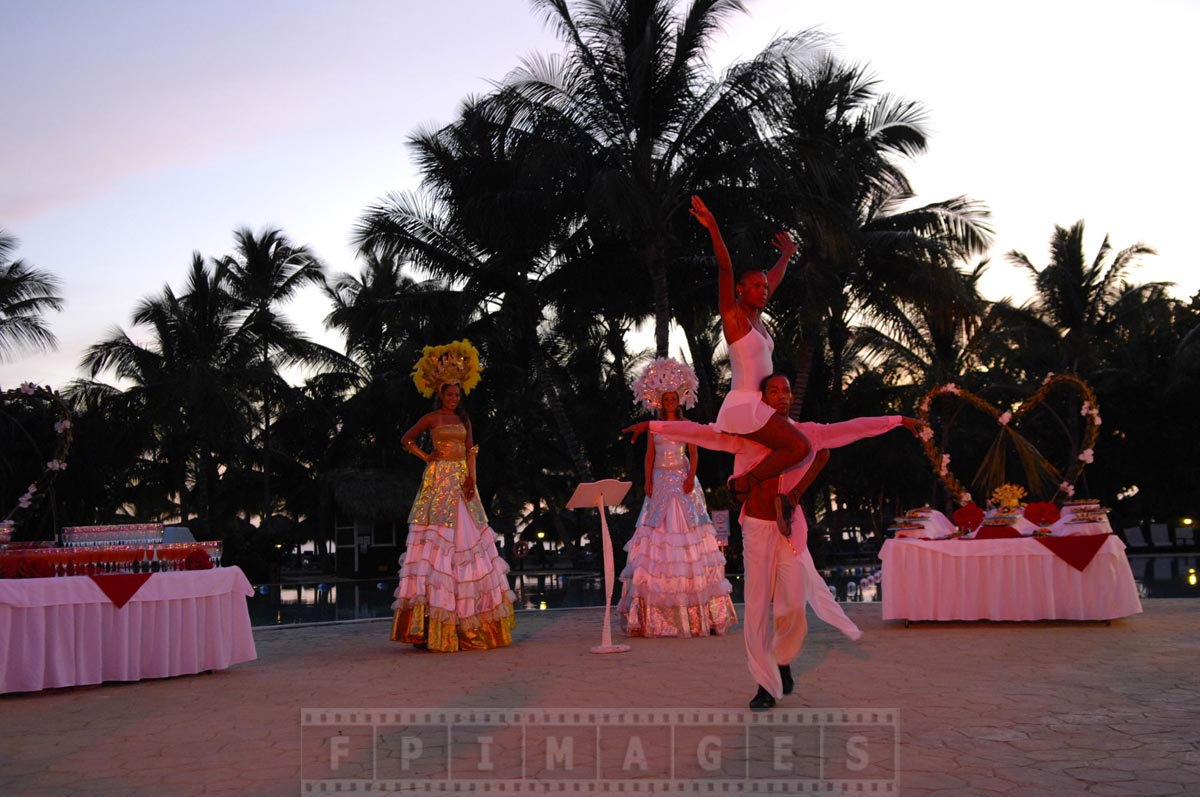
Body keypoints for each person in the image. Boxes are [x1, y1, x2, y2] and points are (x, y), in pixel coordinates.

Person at [626, 373, 920, 709]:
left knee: (792, 606)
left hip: (789, 530)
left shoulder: (805, 434)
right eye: (773, 391)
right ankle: (765, 683)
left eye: (786, 390)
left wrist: (897, 420)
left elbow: (853, 428)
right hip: (756, 527)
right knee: (756, 607)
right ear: (762, 399)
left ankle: (782, 659)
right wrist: (654, 426)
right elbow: (702, 433)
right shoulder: (746, 436)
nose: (781, 396)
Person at [391, 339, 516, 652]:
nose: (453, 398)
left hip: (461, 481)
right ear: (440, 394)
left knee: (469, 541)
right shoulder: (432, 418)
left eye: (457, 394)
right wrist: (426, 456)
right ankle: (430, 624)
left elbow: (471, 451)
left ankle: (469, 621)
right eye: (449, 394)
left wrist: (472, 479)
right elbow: (406, 439)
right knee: (436, 543)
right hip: (438, 482)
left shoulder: (464, 420)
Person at [690, 195, 811, 511]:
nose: (763, 290)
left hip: (761, 406)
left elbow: (773, 279)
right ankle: (742, 483)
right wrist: (713, 228)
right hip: (744, 405)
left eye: (764, 287)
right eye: (755, 286)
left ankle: (753, 493)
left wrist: (786, 255)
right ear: (740, 290)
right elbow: (725, 268)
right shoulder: (734, 317)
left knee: (806, 451)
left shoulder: (758, 319)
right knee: (800, 447)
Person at [617, 358, 737, 638]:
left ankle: (698, 614)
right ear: (661, 402)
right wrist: (648, 480)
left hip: (682, 482)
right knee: (657, 535)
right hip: (660, 482)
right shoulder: (655, 427)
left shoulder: (687, 425)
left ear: (678, 400)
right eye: (666, 398)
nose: (670, 402)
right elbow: (649, 456)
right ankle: (653, 616)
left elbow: (693, 453)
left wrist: (689, 477)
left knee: (687, 536)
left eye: (673, 398)